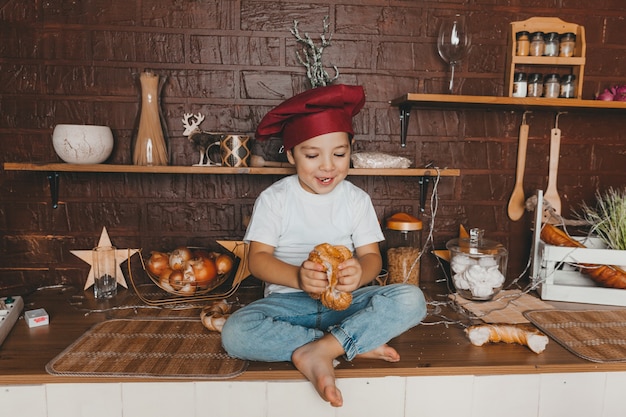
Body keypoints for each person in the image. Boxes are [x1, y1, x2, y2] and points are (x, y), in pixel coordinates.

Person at [221, 84, 427, 407]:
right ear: (291, 154)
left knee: (413, 300)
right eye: (312, 155)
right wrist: (298, 278)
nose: (327, 166)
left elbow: (373, 259)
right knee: (235, 333)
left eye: (339, 154)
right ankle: (345, 343)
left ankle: (325, 349)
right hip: (288, 308)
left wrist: (359, 275)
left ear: (351, 148)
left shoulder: (357, 201)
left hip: (344, 307)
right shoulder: (275, 199)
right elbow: (257, 260)